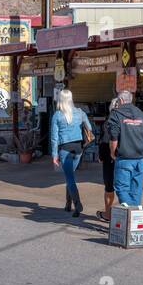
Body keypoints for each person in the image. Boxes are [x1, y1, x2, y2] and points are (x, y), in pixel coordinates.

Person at [107, 89, 143, 208]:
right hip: (139, 159)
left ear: (121, 100)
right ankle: (136, 212)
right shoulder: (142, 115)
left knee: (122, 187)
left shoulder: (116, 114)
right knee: (136, 187)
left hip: (124, 158)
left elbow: (114, 138)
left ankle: (129, 211)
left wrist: (113, 152)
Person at [50, 89, 93, 218]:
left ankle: (77, 204)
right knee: (70, 177)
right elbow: (89, 128)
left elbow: (54, 137)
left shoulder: (57, 115)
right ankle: (68, 204)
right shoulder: (80, 112)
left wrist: (54, 155)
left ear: (60, 100)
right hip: (78, 149)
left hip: (65, 150)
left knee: (70, 178)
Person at [97, 112, 117, 223]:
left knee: (109, 186)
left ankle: (108, 214)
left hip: (110, 158)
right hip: (129, 158)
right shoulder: (132, 118)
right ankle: (129, 216)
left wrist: (101, 156)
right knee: (125, 189)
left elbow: (104, 141)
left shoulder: (108, 122)